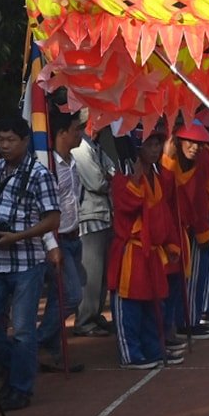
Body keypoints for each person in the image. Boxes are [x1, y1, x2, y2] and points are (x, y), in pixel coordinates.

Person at [0, 118, 61, 412]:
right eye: (1, 140)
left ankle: (20, 387)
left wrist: (18, 237)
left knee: (23, 329)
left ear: (25, 141)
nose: (5, 145)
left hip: (26, 261)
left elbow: (52, 219)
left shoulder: (40, 174)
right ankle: (17, 366)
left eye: (11, 139)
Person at [108, 131, 176, 370]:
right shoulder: (123, 176)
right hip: (133, 251)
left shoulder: (156, 176)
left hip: (153, 251)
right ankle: (131, 354)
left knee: (154, 303)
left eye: (158, 144)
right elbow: (128, 204)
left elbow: (163, 213)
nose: (156, 149)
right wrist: (135, 181)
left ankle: (153, 348)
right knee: (131, 305)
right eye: (150, 144)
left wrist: (171, 242)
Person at [36, 115, 87, 373]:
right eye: (76, 129)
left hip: (73, 235)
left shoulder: (71, 161)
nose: (81, 133)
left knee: (62, 297)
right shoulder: (48, 166)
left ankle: (52, 351)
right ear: (61, 133)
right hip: (57, 240)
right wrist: (50, 243)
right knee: (72, 295)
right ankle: (37, 342)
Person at [161, 121, 209, 337]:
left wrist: (203, 228)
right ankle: (176, 325)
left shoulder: (203, 161)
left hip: (193, 225)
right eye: (190, 141)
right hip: (169, 229)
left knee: (195, 276)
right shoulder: (165, 161)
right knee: (173, 281)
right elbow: (164, 196)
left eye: (199, 143)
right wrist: (167, 161)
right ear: (177, 141)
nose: (195, 147)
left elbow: (201, 197)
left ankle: (190, 319)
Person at [71, 127, 118, 337]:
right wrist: (107, 177)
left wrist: (108, 177)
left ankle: (95, 314)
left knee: (101, 273)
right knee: (91, 272)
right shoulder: (82, 147)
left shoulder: (94, 146)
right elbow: (97, 182)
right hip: (89, 215)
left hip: (103, 213)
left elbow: (113, 172)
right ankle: (85, 319)